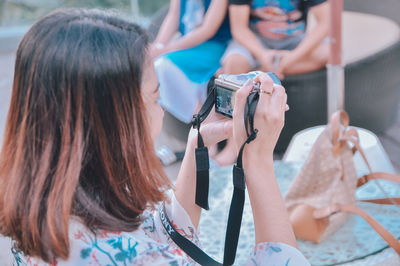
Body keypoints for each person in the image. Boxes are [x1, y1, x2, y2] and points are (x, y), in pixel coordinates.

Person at [0, 9, 309, 265]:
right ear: (116, 119)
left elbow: (166, 235)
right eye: (155, 94)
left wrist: (196, 145)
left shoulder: (55, 199)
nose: (160, 107)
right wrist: (257, 161)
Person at [214, 0, 329, 165]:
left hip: (295, 43)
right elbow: (239, 29)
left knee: (330, 53)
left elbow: (325, 23)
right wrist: (262, 54)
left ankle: (263, 72)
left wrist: (292, 58)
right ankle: (233, 145)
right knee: (233, 63)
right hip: (255, 42)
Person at [152, 0, 231, 123]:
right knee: (152, 63)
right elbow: (173, 15)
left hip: (212, 47)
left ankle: (204, 120)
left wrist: (165, 50)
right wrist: (158, 46)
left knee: (162, 65)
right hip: (183, 46)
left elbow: (208, 30)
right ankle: (203, 119)